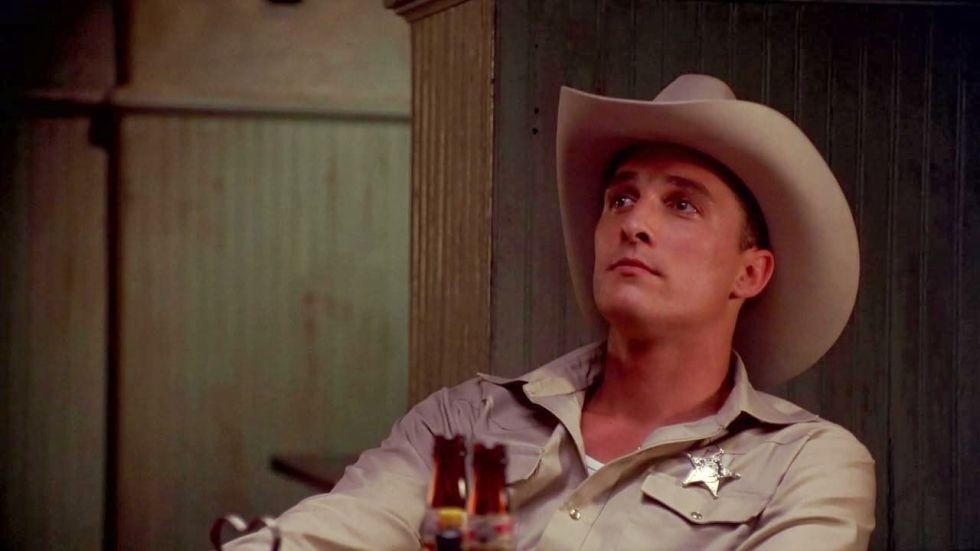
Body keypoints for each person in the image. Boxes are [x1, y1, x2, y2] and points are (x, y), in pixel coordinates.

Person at [227, 74, 875, 550]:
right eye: (621, 199)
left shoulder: (807, 465)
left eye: (682, 205)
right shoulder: (464, 423)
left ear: (750, 272)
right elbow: (323, 535)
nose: (634, 224)